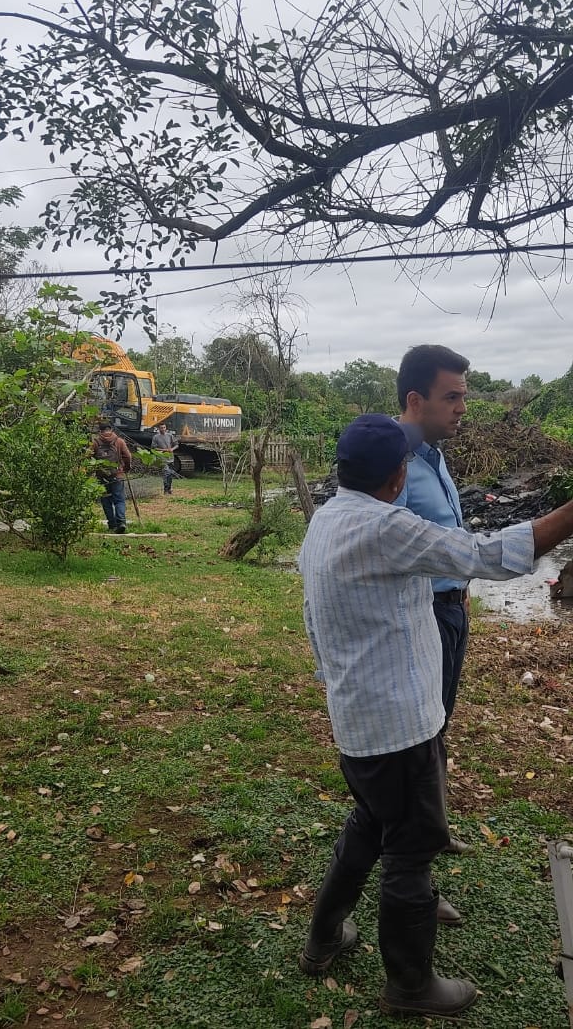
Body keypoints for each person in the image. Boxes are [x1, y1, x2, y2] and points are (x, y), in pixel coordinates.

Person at [298, 413, 573, 1018]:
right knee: (410, 852)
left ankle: (323, 937)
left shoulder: (326, 518)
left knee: (371, 826)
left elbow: (312, 618)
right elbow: (486, 554)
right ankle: (411, 985)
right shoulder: (385, 525)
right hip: (399, 726)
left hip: (358, 719)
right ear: (398, 476)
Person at [396, 344, 470, 855]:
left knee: (437, 724)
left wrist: (461, 597)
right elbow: (384, 546)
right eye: (453, 397)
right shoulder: (394, 463)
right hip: (419, 616)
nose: (462, 408)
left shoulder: (435, 457)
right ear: (417, 400)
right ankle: (410, 862)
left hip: (449, 610)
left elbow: (450, 536)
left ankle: (433, 833)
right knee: (417, 741)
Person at [92, 419, 132, 534]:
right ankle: (121, 522)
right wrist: (126, 468)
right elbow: (128, 456)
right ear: (111, 429)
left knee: (106, 500)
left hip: (102, 477)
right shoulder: (119, 441)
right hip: (117, 475)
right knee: (119, 500)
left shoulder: (95, 442)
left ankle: (112, 524)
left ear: (100, 430)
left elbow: (87, 457)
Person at [151, 422, 179, 494]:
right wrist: (164, 450)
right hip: (162, 458)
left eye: (164, 427)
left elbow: (176, 445)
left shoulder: (170, 436)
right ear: (158, 429)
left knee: (170, 474)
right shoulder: (156, 437)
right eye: (161, 428)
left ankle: (169, 489)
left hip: (171, 458)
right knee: (166, 473)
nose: (163, 429)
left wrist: (172, 449)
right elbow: (153, 448)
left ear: (166, 428)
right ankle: (165, 490)